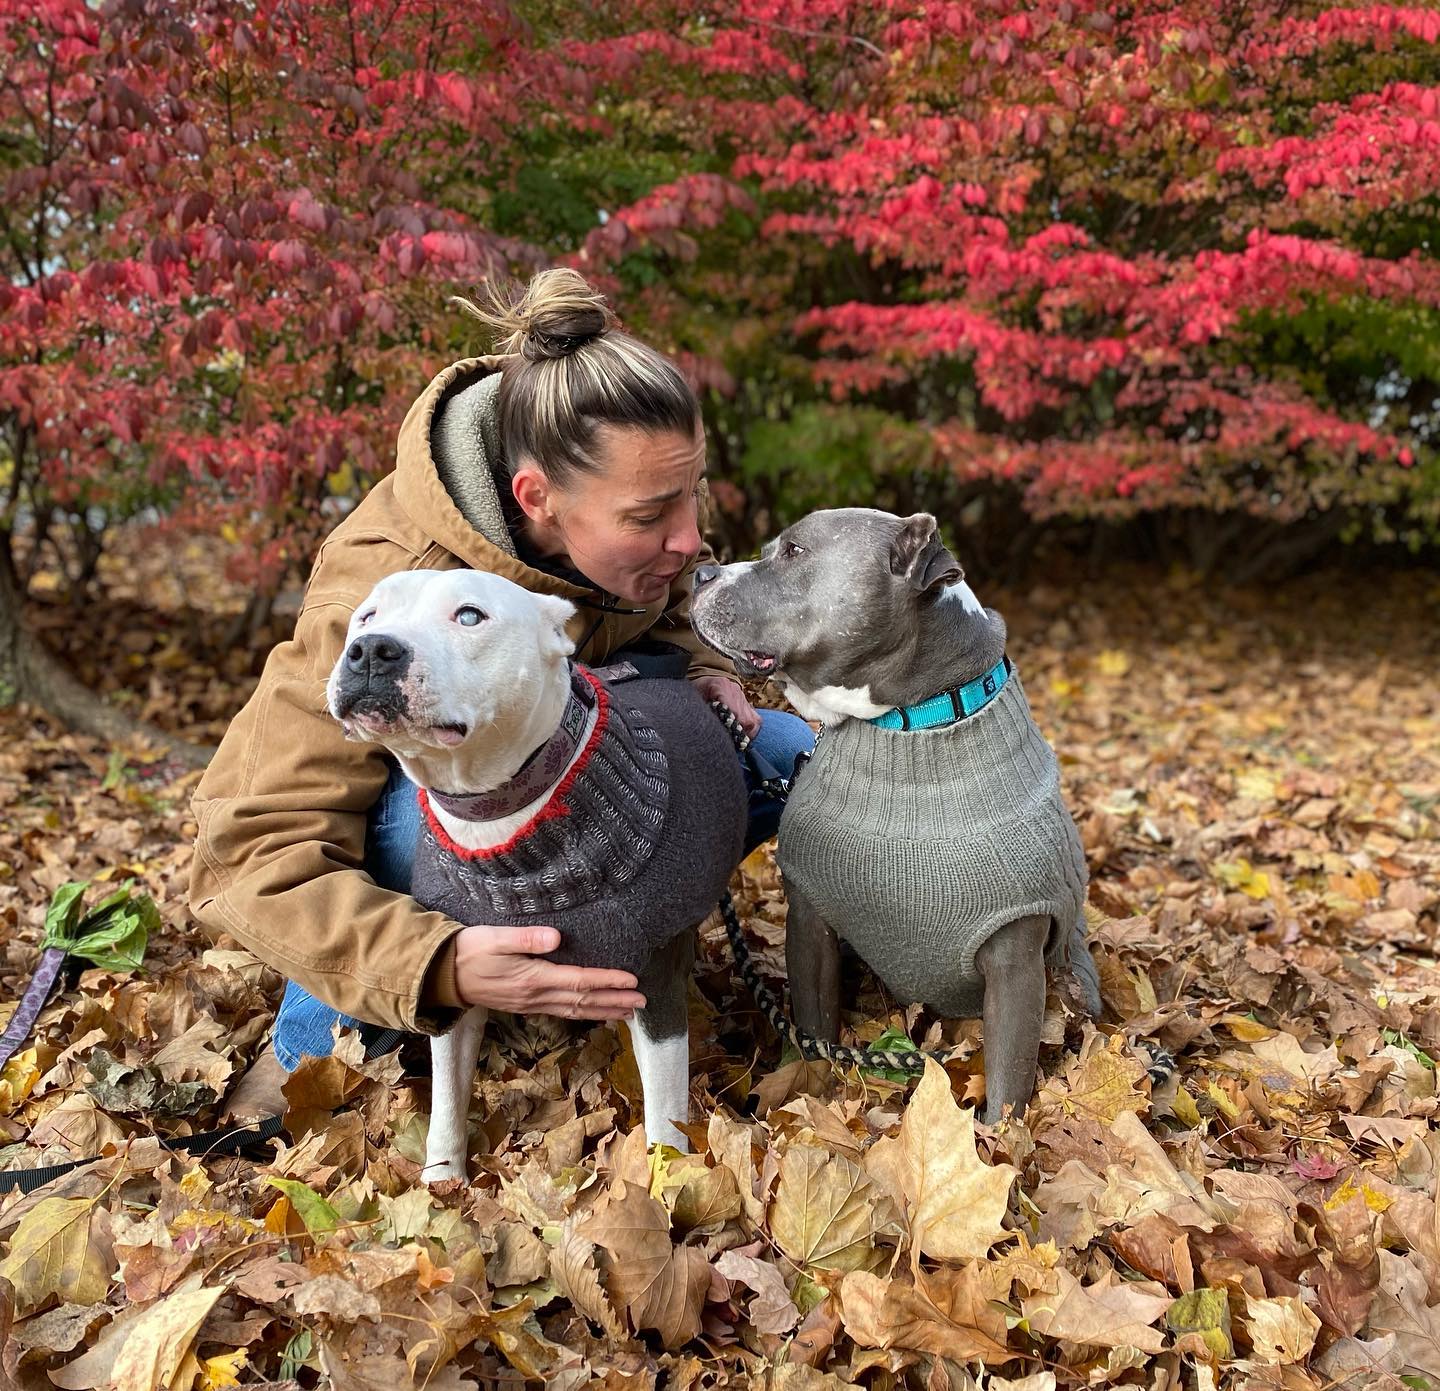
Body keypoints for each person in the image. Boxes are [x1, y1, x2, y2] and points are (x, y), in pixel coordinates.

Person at [189, 268, 813, 1092]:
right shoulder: (387, 591)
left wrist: (700, 667)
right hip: (445, 806)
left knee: (793, 754)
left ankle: (641, 939)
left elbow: (653, 608)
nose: (691, 539)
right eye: (651, 516)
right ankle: (316, 1045)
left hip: (598, 770)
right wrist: (434, 962)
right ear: (536, 498)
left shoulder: (621, 494)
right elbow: (250, 846)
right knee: (435, 817)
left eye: (691, 496)